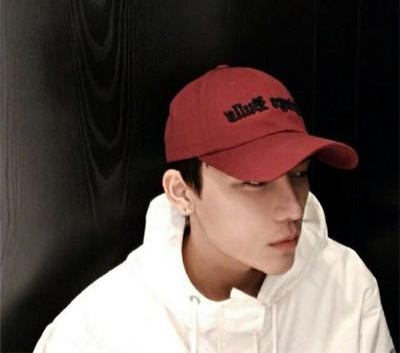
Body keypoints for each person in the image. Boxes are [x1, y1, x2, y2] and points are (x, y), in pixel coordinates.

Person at [34, 65, 395, 353]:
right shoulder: (95, 334)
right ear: (181, 192)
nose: (292, 209)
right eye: (255, 182)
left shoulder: (344, 282)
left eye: (299, 174)